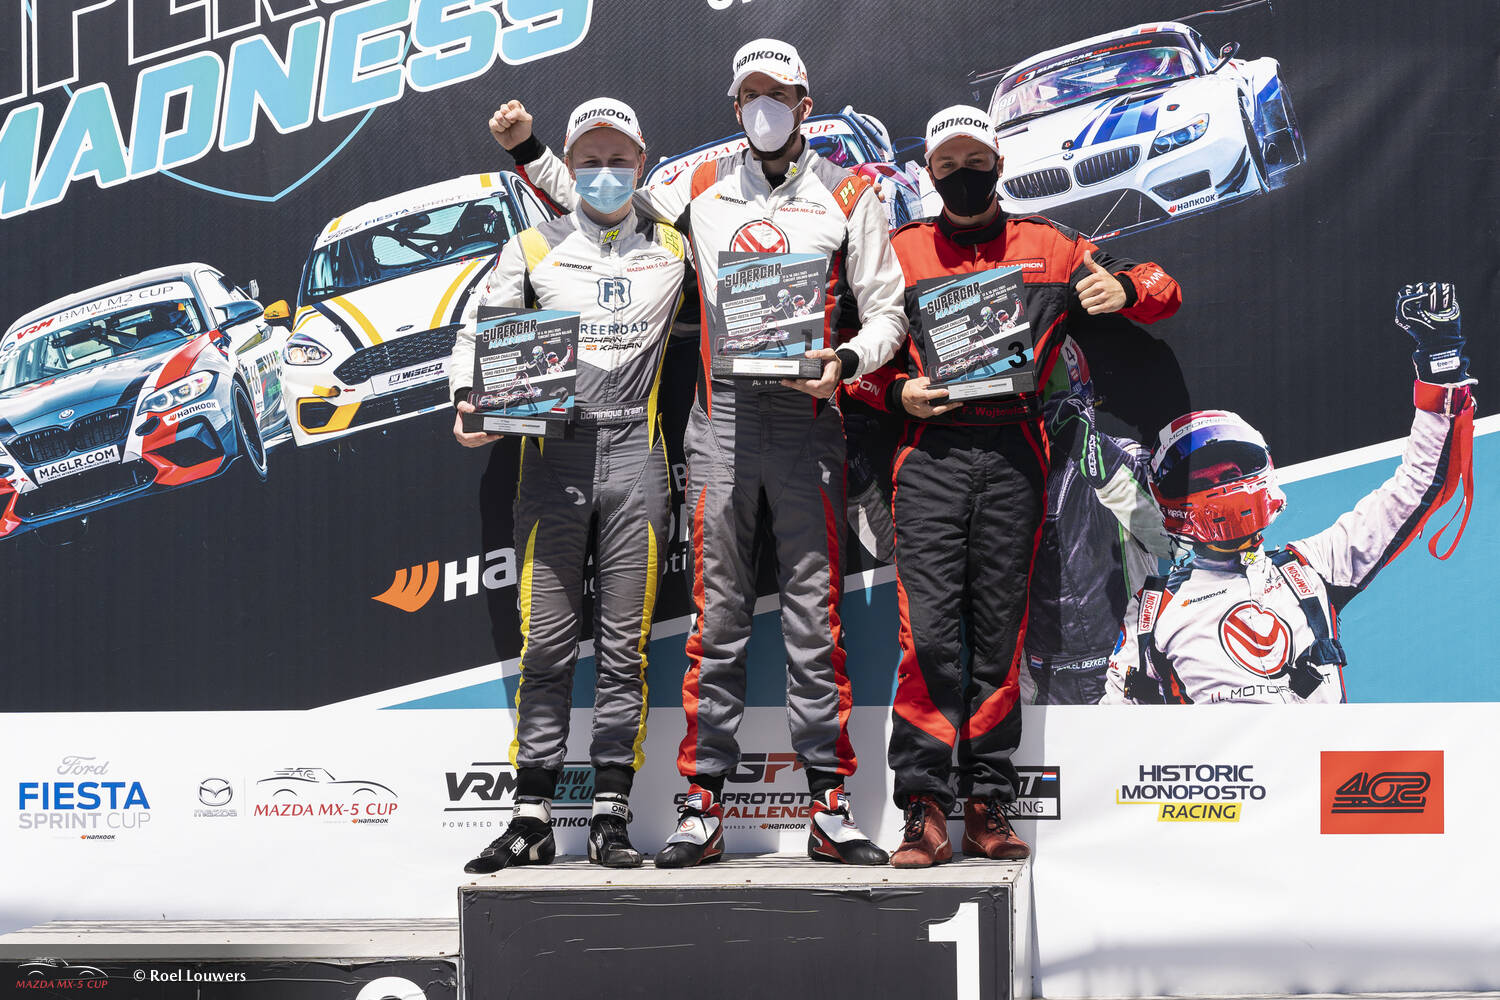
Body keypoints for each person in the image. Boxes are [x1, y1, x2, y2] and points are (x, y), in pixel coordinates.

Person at [488, 38, 908, 867]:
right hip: (720, 429)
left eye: (777, 93)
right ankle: (702, 804)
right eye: (749, 95)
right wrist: (528, 150)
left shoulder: (850, 192)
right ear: (735, 106)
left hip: (808, 423)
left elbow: (887, 311)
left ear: (804, 102)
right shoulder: (698, 187)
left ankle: (830, 806)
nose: (763, 107)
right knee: (717, 622)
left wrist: (849, 359)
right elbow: (598, 196)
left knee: (813, 620)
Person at [847, 105, 1181, 867]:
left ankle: (988, 804)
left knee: (1000, 635)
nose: (962, 175)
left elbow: (1165, 290)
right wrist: (894, 395)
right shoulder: (899, 250)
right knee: (929, 638)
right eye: (947, 164)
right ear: (929, 173)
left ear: (998, 163)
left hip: (1015, 456)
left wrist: (1128, 288)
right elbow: (843, 356)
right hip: (928, 457)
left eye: (975, 161)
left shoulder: (1050, 244)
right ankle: (923, 807)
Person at [450, 98, 694, 873]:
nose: (605, 174)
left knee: (624, 650)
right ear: (569, 165)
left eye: (620, 159)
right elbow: (477, 330)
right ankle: (531, 818)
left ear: (643, 163)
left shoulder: (675, 242)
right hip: (550, 461)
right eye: (589, 160)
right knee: (547, 646)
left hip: (637, 462)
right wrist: (469, 397)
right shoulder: (532, 245)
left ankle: (611, 816)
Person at [1102, 283, 1475, 705]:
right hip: (1226, 753)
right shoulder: (1152, 610)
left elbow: (1419, 484)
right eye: (1203, 479)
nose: (1223, 486)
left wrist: (1441, 360)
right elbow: (1110, 725)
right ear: (1171, 500)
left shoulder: (1313, 566)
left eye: (1233, 471)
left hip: (1323, 751)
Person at [1022, 337, 1179, 705]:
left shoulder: (1124, 455)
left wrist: (1086, 445)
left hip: (1124, 669)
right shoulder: (1004, 477)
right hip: (1037, 680)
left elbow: (1170, 541)